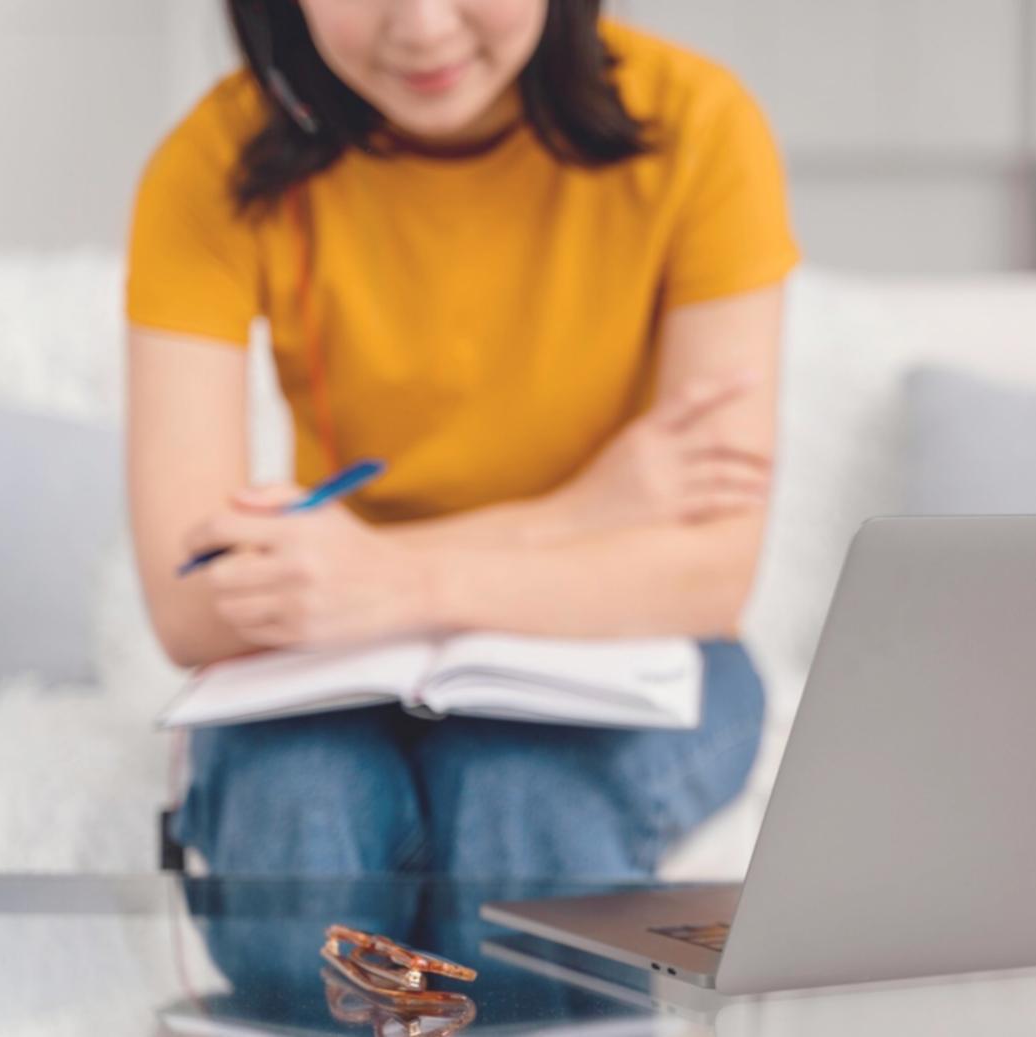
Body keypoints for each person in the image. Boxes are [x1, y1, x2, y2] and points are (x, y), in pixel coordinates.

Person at [126, 0, 798, 877]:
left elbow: (709, 576)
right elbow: (189, 606)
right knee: (300, 819)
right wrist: (582, 511)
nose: (425, 28)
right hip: (337, 650)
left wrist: (393, 579)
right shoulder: (215, 156)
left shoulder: (698, 124)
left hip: (617, 637)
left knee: (522, 801)